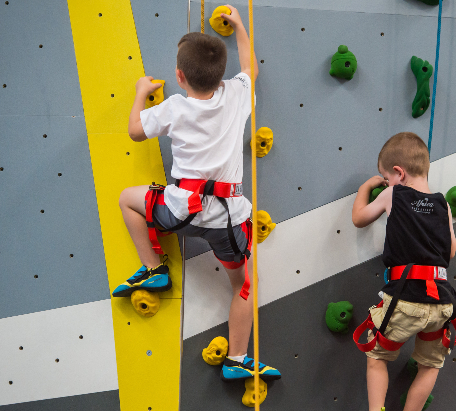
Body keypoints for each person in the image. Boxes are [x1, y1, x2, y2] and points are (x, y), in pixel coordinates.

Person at [111, 5, 280, 382]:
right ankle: (237, 359)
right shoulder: (236, 95)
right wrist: (238, 25)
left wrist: (141, 92)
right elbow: (251, 68)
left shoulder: (175, 106)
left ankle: (153, 269)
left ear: (179, 76)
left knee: (127, 199)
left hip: (179, 213)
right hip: (227, 221)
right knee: (243, 286)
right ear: (221, 75)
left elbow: (136, 131)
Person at [352, 132, 456, 411]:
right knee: (430, 365)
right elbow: (451, 251)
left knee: (376, 356)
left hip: (405, 298)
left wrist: (366, 186)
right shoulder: (442, 203)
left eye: (386, 177)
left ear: (399, 173)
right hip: (442, 302)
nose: (385, 182)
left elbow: (359, 219)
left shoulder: (393, 193)